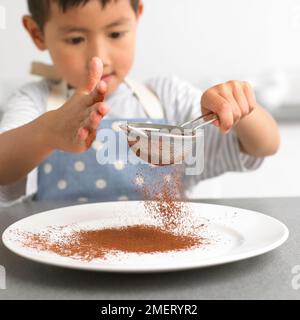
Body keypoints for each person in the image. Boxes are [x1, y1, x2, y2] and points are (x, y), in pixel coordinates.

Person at [0, 0, 280, 206]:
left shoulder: (168, 98)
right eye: (75, 39)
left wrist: (241, 109)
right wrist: (46, 133)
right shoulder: (35, 102)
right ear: (37, 34)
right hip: (65, 263)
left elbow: (263, 145)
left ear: (137, 17)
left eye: (115, 34)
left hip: (165, 260)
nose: (100, 57)